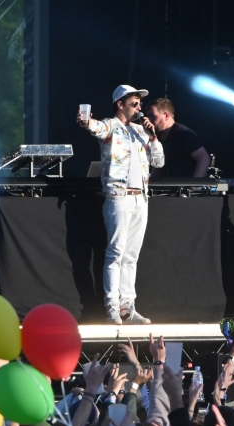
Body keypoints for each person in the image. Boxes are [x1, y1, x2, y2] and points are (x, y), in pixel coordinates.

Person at [78, 85, 164, 325]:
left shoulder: (140, 131)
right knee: (116, 252)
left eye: (140, 104)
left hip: (141, 197)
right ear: (120, 104)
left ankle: (128, 306)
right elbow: (96, 128)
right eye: (134, 103)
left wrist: (153, 136)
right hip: (119, 196)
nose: (139, 108)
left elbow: (159, 160)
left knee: (131, 255)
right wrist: (86, 122)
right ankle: (112, 306)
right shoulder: (111, 126)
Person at [146, 98, 210, 178]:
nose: (149, 120)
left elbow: (203, 158)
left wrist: (195, 185)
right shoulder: (156, 137)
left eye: (152, 116)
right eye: (148, 116)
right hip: (168, 188)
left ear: (166, 115)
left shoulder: (183, 134)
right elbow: (158, 167)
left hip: (185, 188)